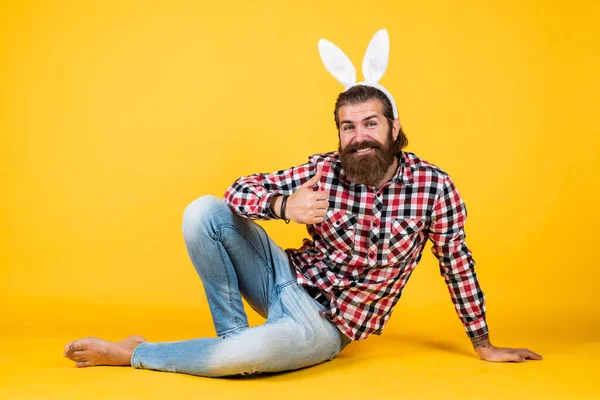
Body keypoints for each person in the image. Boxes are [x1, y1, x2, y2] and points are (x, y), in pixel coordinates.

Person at [63, 29, 542, 377]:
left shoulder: (433, 188)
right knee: (201, 212)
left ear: (394, 129)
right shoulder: (324, 169)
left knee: (243, 357)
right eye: (348, 127)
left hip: (324, 324)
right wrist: (282, 205)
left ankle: (137, 352)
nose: (360, 137)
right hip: (282, 279)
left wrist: (483, 344)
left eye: (371, 124)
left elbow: (456, 264)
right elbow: (237, 192)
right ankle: (235, 340)